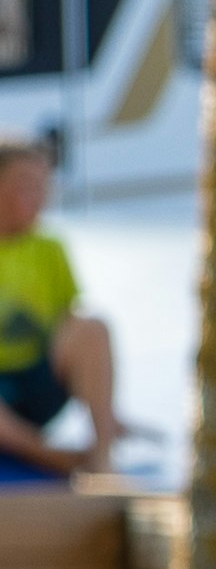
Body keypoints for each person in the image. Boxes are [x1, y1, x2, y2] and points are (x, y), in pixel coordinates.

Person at [0, 131, 114, 484]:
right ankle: (52, 456)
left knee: (92, 327)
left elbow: (74, 335)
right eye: (26, 186)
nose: (39, 198)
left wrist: (104, 406)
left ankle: (103, 461)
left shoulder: (49, 248)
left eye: (44, 187)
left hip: (36, 386)